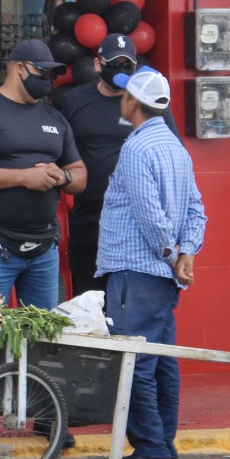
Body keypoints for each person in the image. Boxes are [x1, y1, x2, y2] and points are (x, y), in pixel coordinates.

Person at [96, 68, 206, 459]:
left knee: (135, 362)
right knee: (160, 362)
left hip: (136, 271)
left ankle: (152, 449)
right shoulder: (176, 148)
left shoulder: (137, 148)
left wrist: (173, 253)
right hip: (161, 276)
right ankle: (163, 444)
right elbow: (196, 209)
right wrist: (186, 252)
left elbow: (149, 215)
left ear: (132, 102)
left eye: (125, 95)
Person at [0, 38, 86, 311]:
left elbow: (80, 174)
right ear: (19, 68)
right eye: (43, 72)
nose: (49, 81)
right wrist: (24, 177)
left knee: (42, 330)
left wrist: (63, 177)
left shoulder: (55, 118)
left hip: (43, 247)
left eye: (53, 75)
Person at [60, 34, 181, 296]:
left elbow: (174, 154)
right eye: (114, 62)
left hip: (138, 226)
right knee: (90, 304)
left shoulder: (148, 102)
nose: (121, 69)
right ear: (97, 64)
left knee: (131, 305)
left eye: (127, 64)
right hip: (90, 220)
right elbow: (60, 152)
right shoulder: (75, 100)